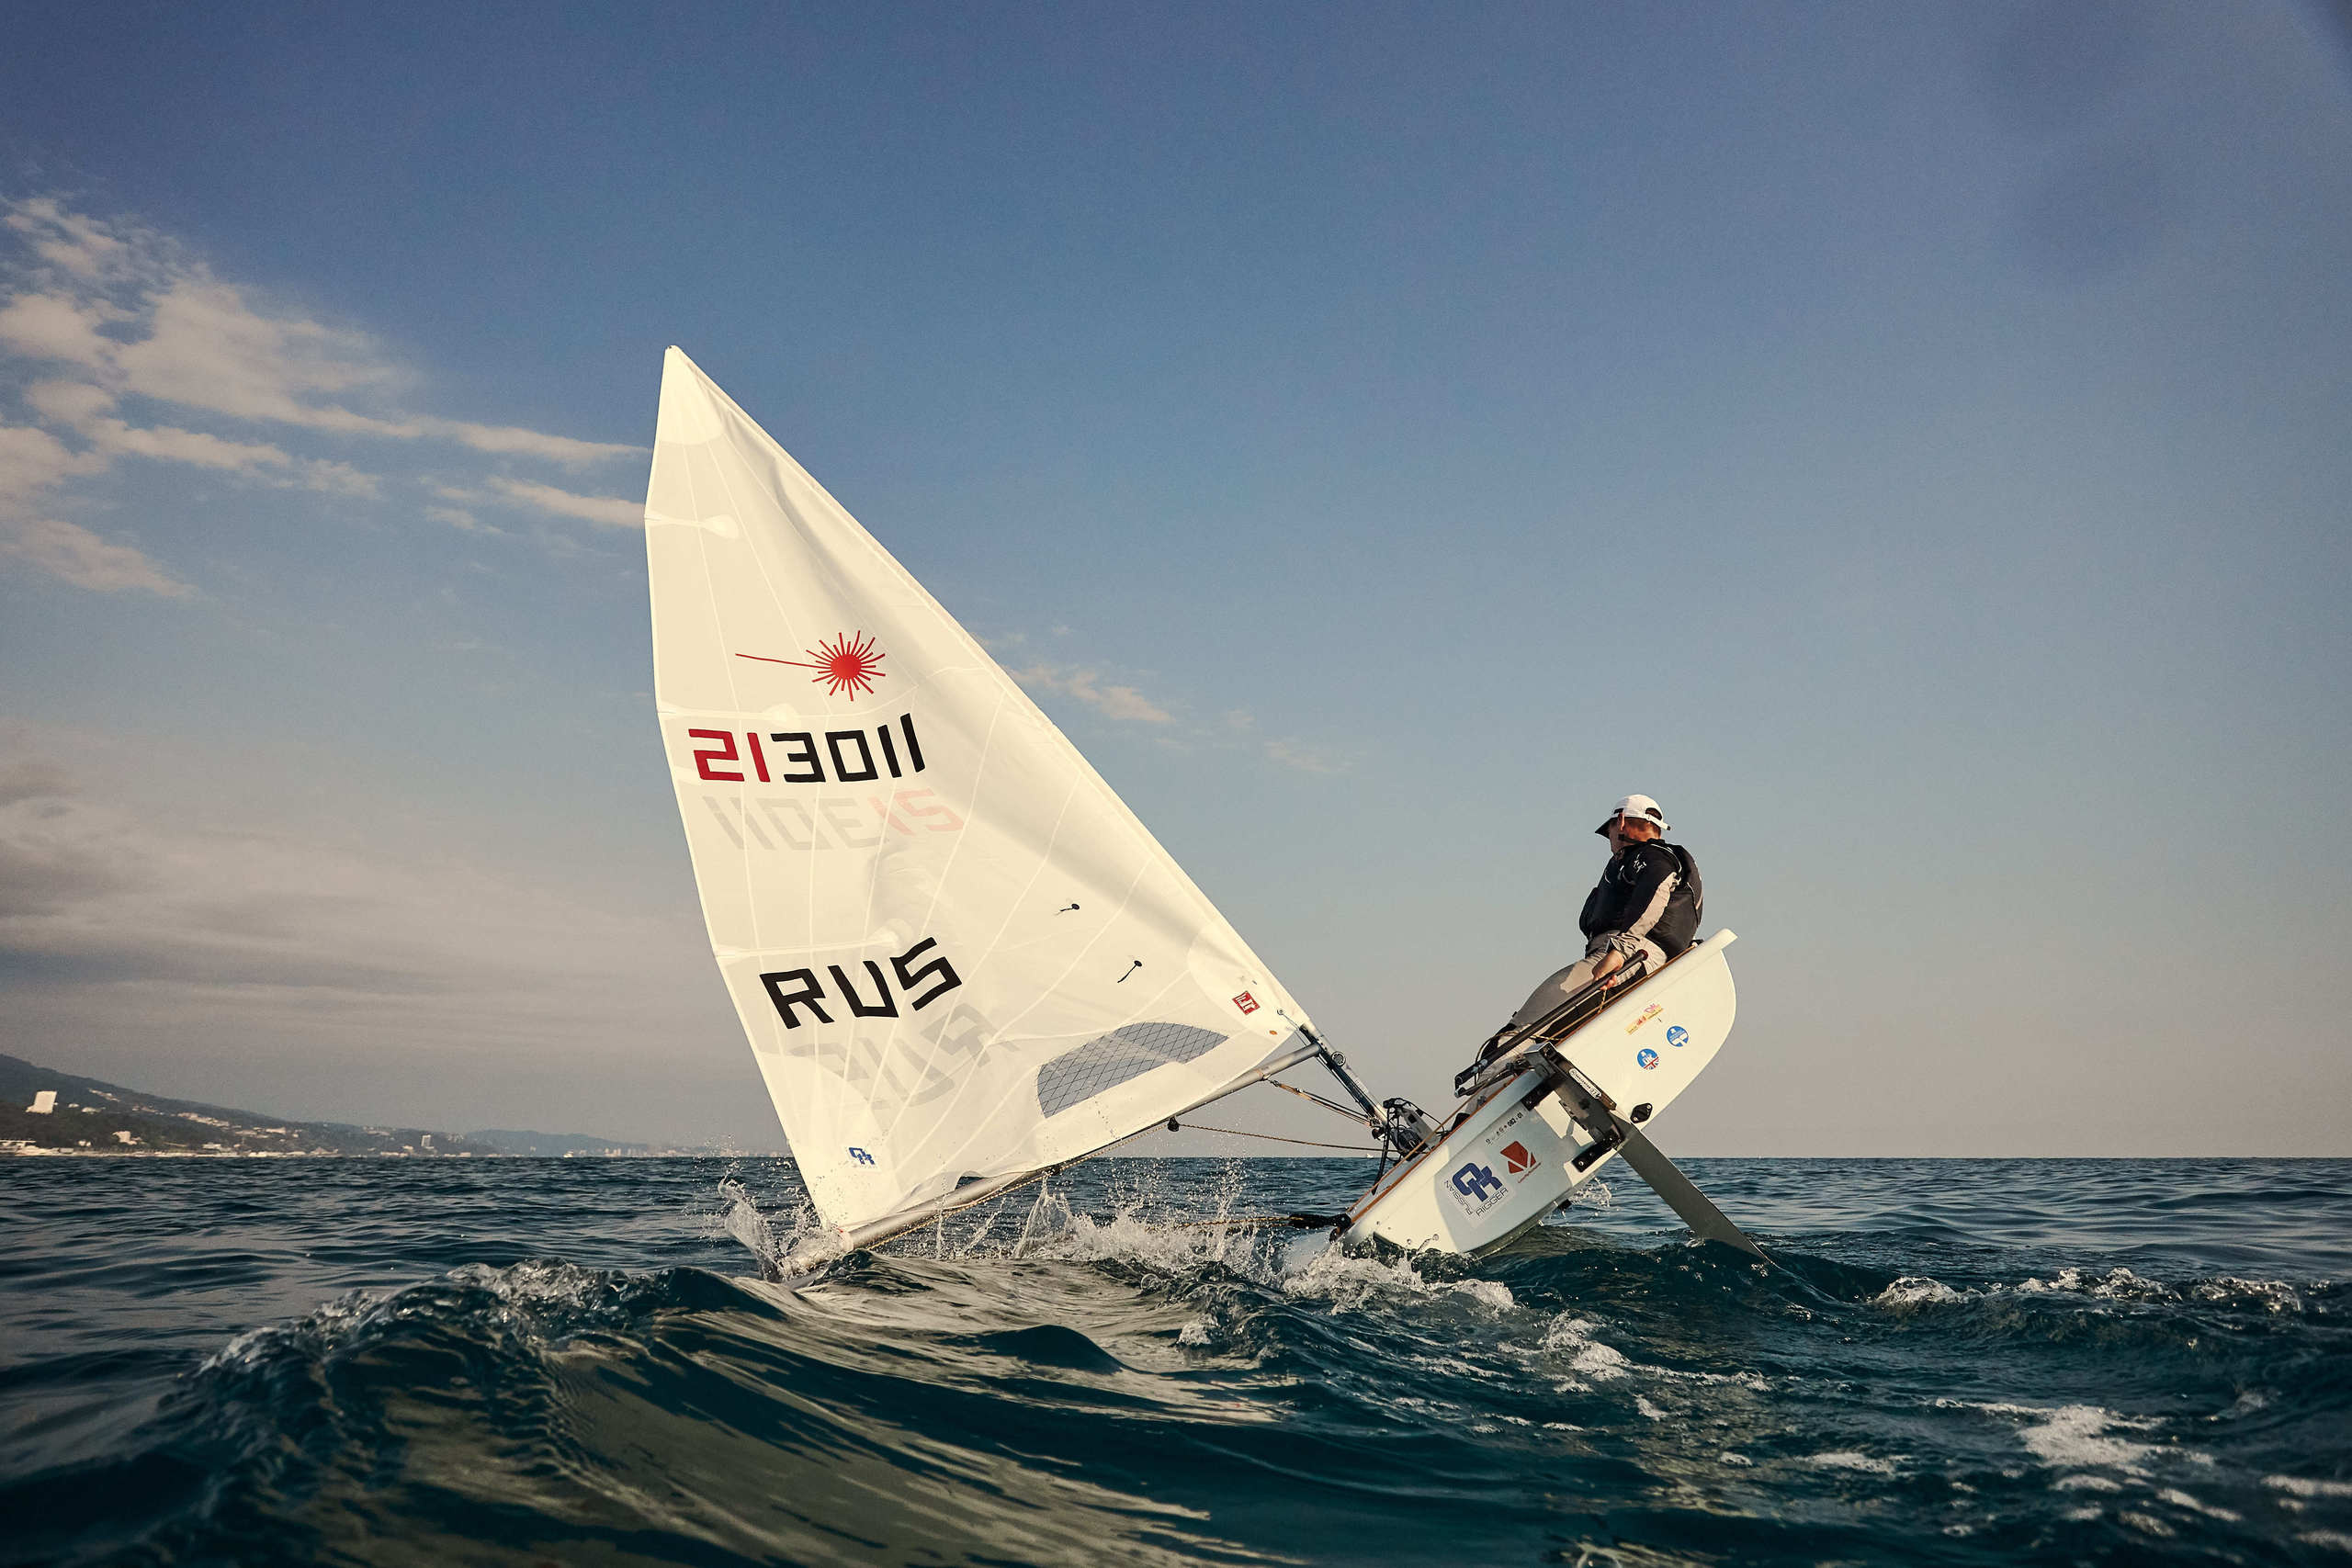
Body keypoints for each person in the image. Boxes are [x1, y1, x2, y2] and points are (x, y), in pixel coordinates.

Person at [1498, 793, 1703, 1040]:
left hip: (1629, 955)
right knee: (1543, 1033)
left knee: (1522, 1032)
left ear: (1622, 820)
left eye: (1609, 832)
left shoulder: (1651, 856)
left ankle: (1494, 1070)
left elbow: (1654, 893)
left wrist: (1619, 951)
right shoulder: (1639, 860)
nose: (1609, 841)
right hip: (1623, 955)